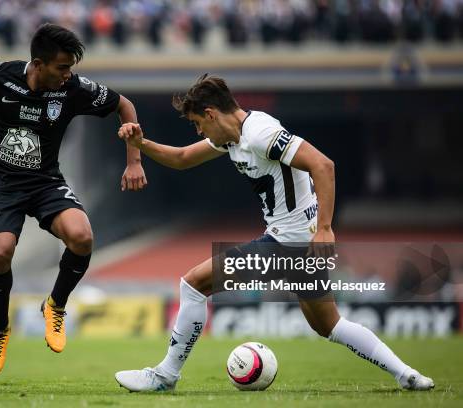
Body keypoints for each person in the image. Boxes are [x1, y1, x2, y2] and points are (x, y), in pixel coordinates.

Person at [114, 74, 434, 391]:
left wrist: (325, 228)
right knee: (330, 325)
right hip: (298, 245)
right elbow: (183, 158)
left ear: (211, 113)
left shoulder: (260, 134)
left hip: (287, 244)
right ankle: (406, 374)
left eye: (198, 123)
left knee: (193, 285)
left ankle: (165, 376)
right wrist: (140, 144)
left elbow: (323, 165)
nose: (199, 131)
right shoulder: (233, 136)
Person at [0, 24, 146, 376]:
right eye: (62, 67)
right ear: (38, 64)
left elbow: (125, 106)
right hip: (5, 187)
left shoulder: (74, 89)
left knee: (83, 237)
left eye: (71, 67)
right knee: (0, 252)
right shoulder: (2, 75)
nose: (68, 74)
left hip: (46, 184)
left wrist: (134, 161)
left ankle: (55, 305)